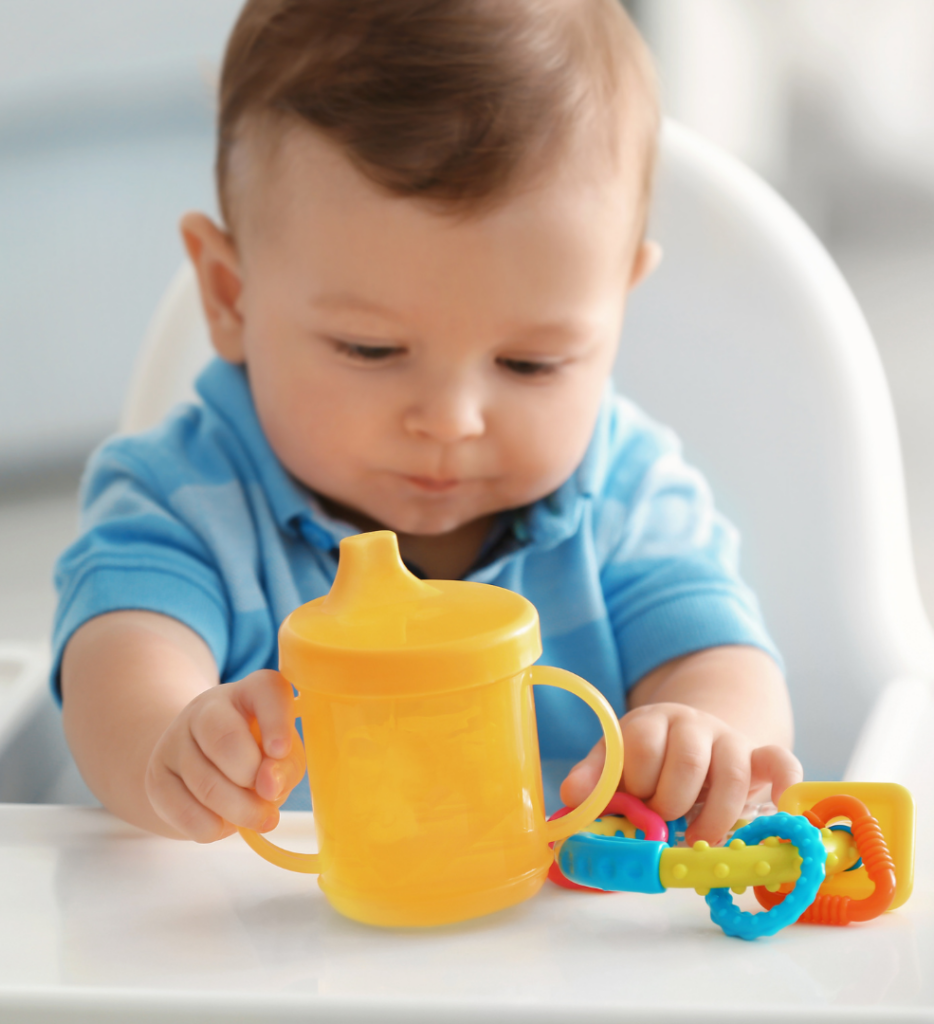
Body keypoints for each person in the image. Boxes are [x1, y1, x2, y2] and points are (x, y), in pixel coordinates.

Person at [55, 0, 802, 851]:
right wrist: (171, 745)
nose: (451, 420)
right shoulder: (184, 498)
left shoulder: (628, 496)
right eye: (371, 349)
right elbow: (117, 664)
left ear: (617, 308)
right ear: (231, 297)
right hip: (285, 957)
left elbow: (724, 661)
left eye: (529, 363)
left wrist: (699, 737)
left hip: (573, 955)